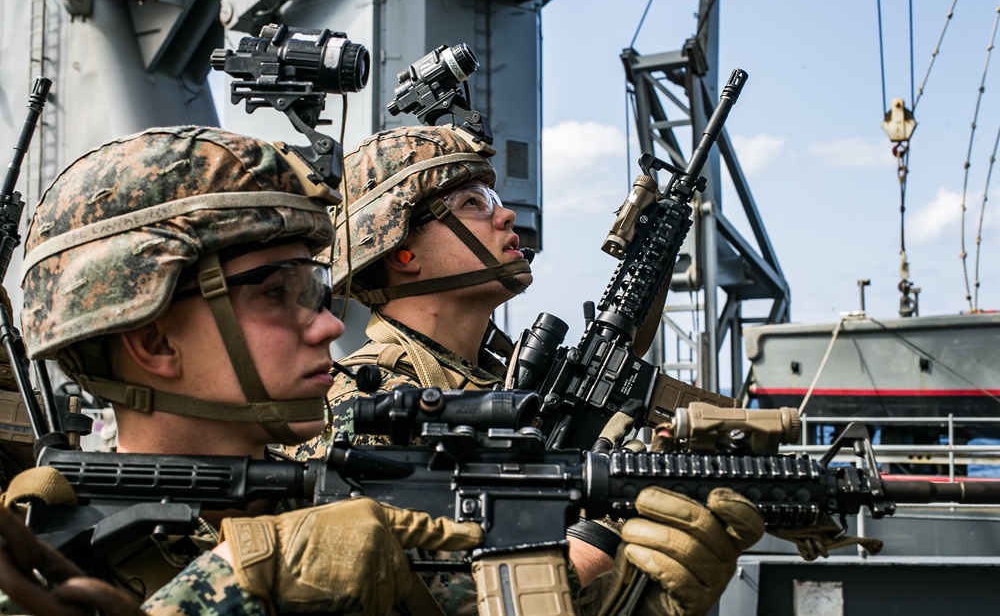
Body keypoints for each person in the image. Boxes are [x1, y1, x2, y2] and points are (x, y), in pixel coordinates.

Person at [288, 124, 765, 615]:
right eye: (473, 203)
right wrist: (599, 538)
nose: (506, 214)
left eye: (493, 197)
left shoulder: (497, 386)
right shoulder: (357, 410)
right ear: (400, 251)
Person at [7, 125, 483, 615]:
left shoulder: (346, 516)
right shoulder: (39, 560)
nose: (326, 327)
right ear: (154, 343)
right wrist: (239, 581)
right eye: (276, 293)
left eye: (312, 291)